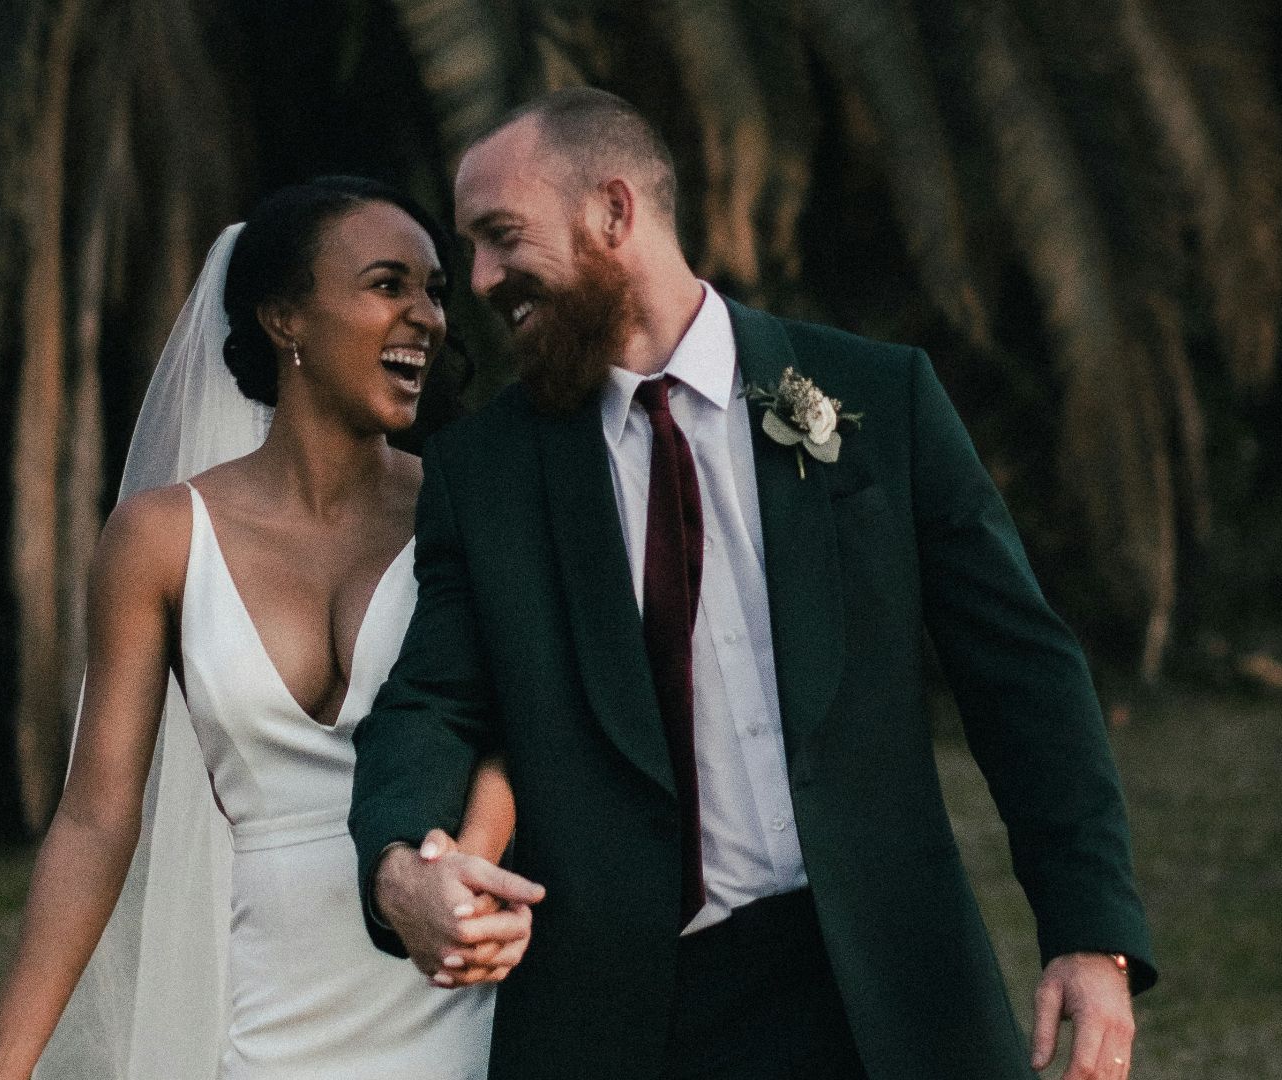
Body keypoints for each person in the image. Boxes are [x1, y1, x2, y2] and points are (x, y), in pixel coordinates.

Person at [349, 89, 1157, 1080]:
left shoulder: (879, 399)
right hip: (629, 1020)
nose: (479, 278)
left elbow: (1023, 677)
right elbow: (431, 702)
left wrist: (1091, 933)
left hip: (887, 993)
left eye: (501, 236)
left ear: (614, 212)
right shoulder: (488, 476)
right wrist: (398, 869)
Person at [0, 177, 527, 1080]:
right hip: (274, 1012)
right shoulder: (158, 539)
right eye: (389, 285)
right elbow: (96, 819)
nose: (427, 315)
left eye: (436, 291)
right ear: (284, 318)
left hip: (455, 982)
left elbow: (517, 728)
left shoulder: (468, 509)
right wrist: (1, 1063)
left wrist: (464, 889)